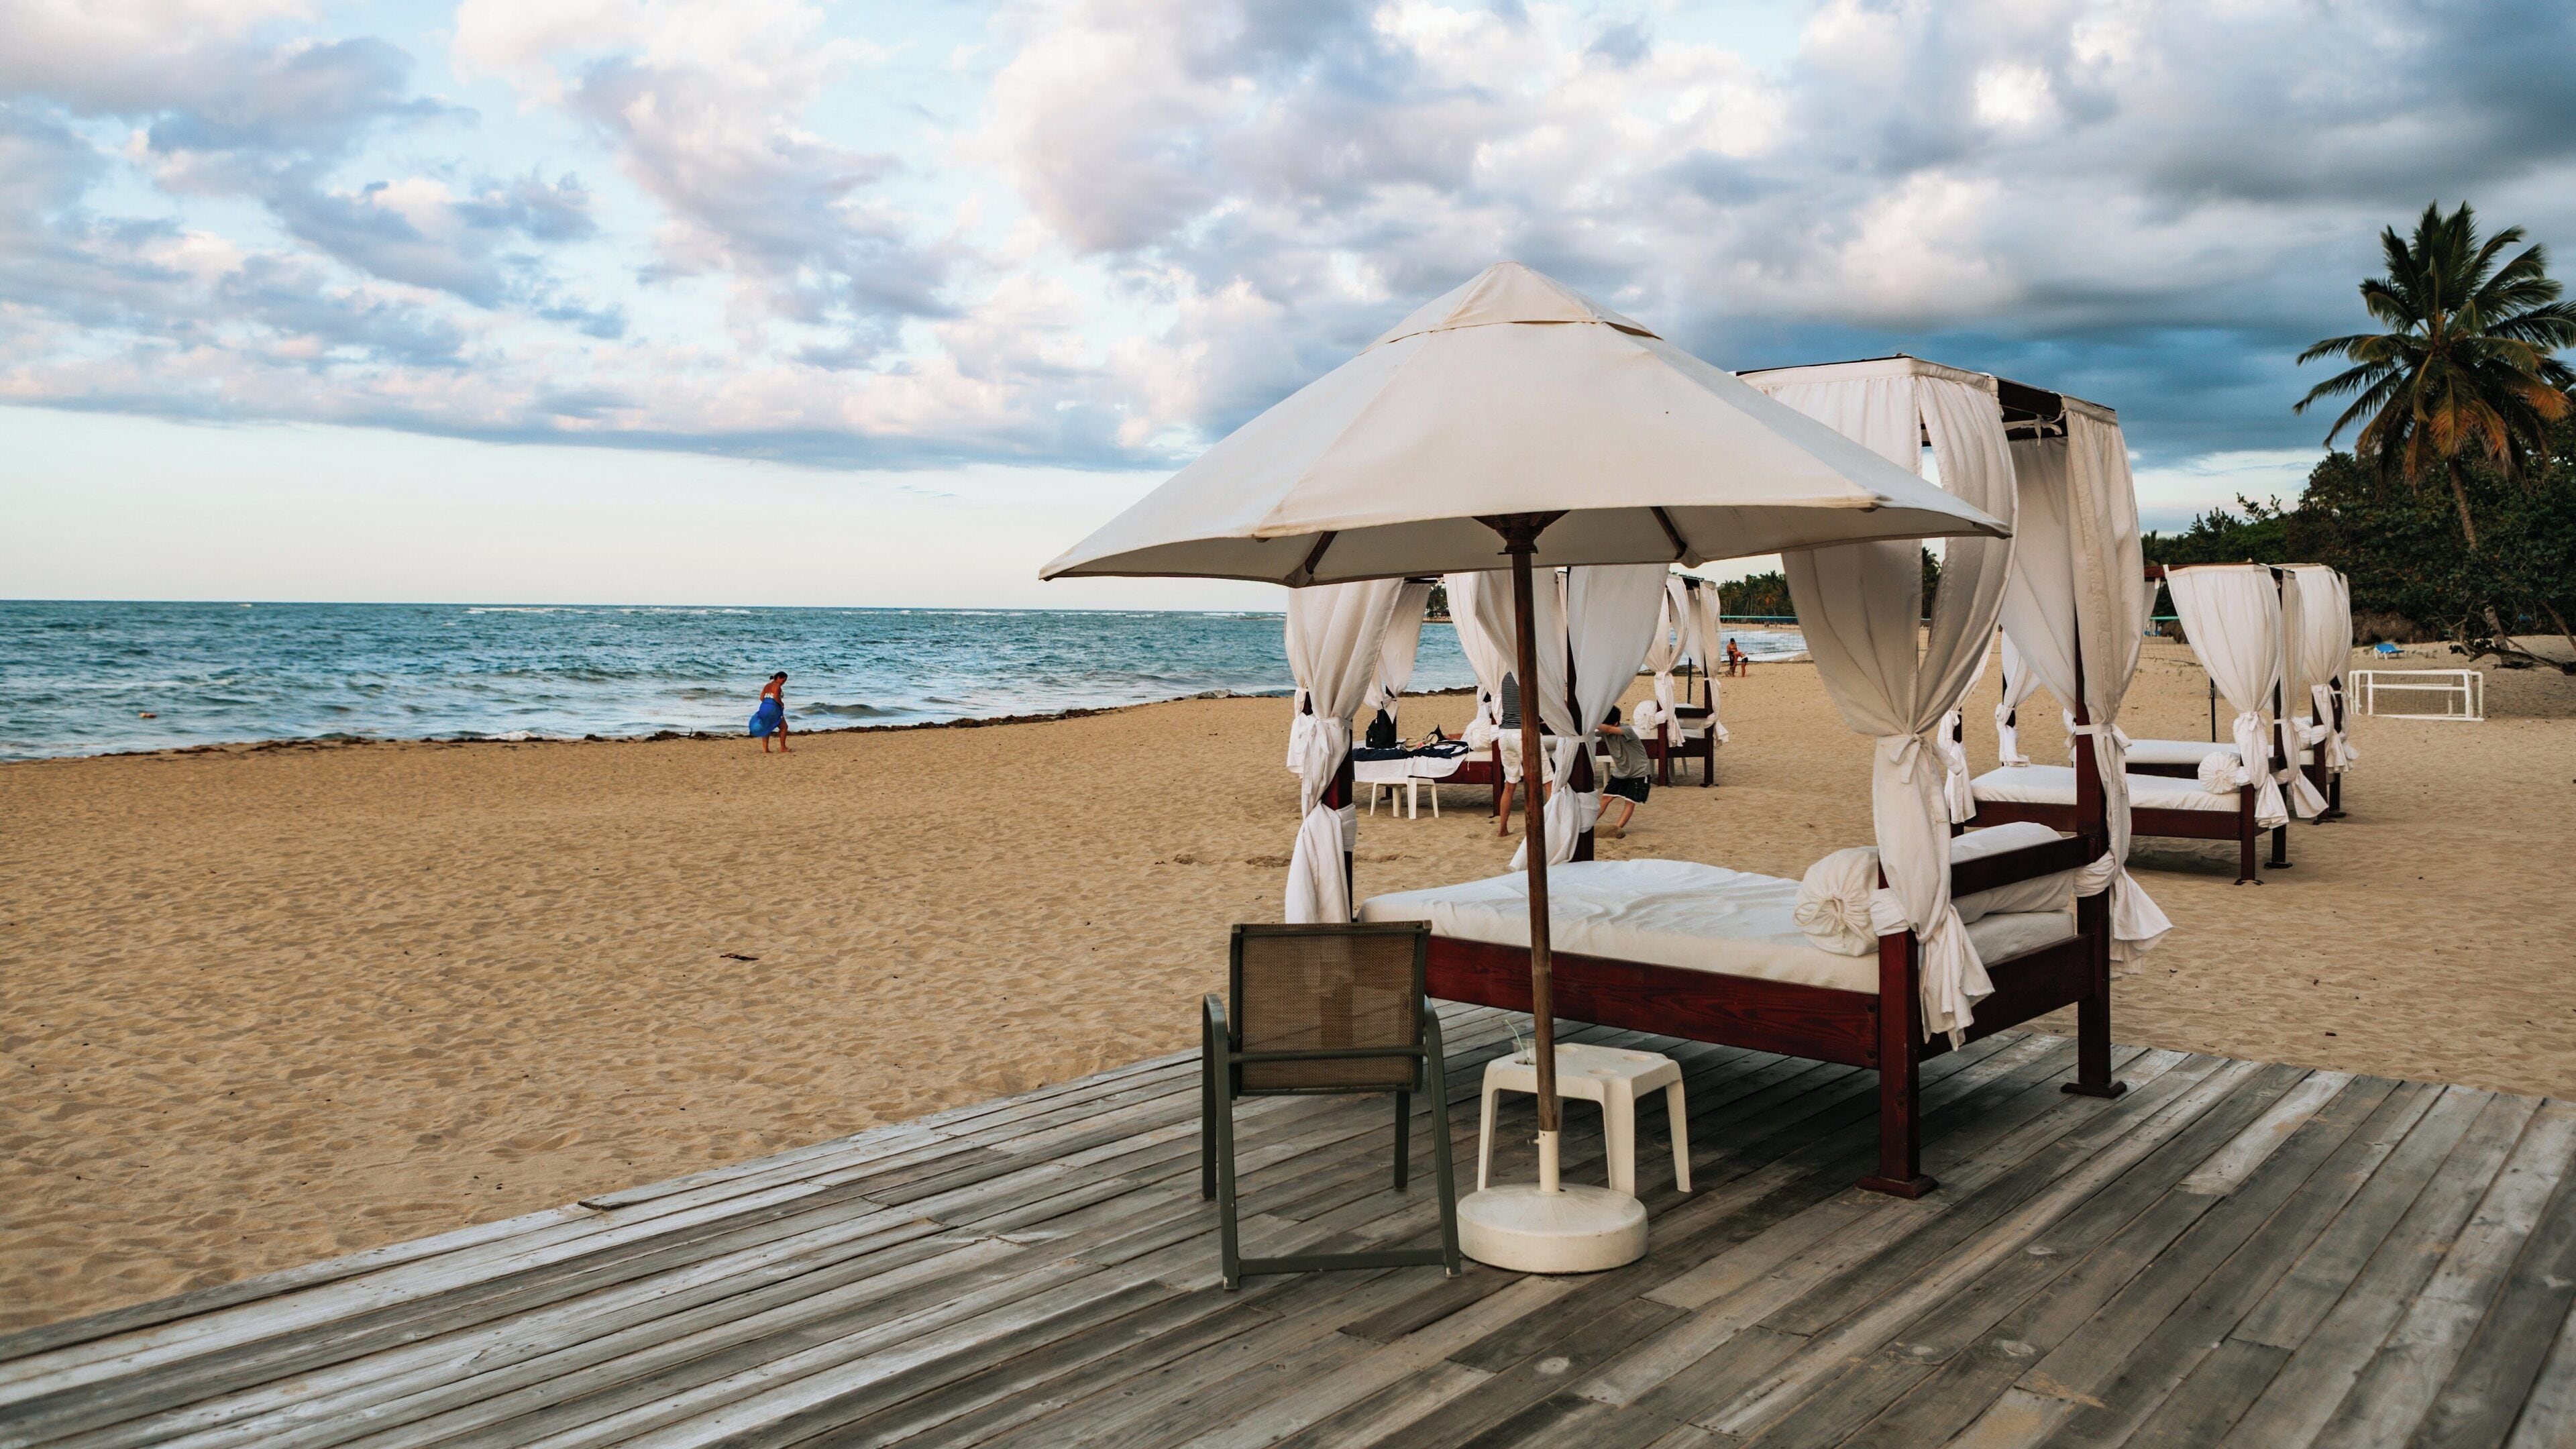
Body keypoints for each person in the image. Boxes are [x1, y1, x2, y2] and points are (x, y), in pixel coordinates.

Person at [1595, 706, 1652, 837]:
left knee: (1630, 802)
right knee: (1606, 798)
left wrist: (1592, 722)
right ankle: (1588, 826)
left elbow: (1608, 729)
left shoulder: (1626, 730)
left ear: (1615, 723)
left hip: (1640, 772)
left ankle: (1616, 829)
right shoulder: (1604, 733)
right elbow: (1593, 734)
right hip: (1621, 772)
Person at [750, 672, 791, 753]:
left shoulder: (767, 685)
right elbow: (776, 697)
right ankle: (783, 747)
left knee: (766, 727)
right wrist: (781, 704)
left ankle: (766, 749)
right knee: (784, 727)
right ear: (778, 678)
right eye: (783, 681)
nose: (783, 683)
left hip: (764, 707)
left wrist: (767, 704)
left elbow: (761, 698)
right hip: (773, 708)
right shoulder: (777, 685)